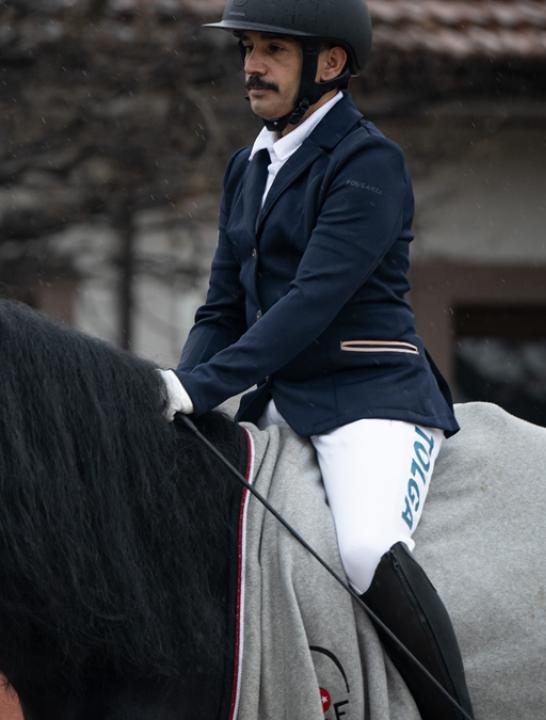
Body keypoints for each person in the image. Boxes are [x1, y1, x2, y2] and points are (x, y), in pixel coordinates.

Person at [159, 1, 474, 717]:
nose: (251, 66)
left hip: (371, 395)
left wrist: (203, 385)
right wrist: (184, 392)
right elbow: (220, 309)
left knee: (365, 546)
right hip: (281, 398)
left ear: (328, 65)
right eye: (247, 48)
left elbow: (311, 303)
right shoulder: (248, 167)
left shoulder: (370, 161)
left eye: (272, 50)